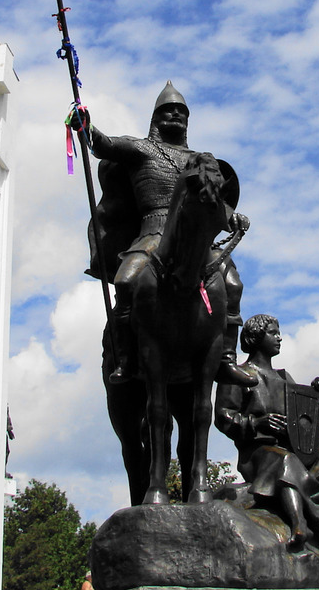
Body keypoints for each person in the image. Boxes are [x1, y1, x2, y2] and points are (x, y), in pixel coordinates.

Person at [77, 81, 254, 386]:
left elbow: (217, 201)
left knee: (234, 284)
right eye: (168, 110)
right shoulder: (141, 149)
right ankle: (127, 358)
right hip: (151, 233)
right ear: (155, 117)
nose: (175, 114)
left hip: (197, 241)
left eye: (181, 111)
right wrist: (85, 126)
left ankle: (226, 358)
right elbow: (104, 144)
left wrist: (232, 216)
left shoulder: (201, 158)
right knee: (126, 280)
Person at [215, 314, 319, 566]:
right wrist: (255, 423)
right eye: (273, 333)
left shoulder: (285, 379)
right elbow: (223, 417)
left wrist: (316, 414)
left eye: (278, 332)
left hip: (293, 449)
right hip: (258, 454)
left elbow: (299, 421)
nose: (279, 337)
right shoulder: (239, 375)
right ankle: (299, 525)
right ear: (255, 338)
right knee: (287, 461)